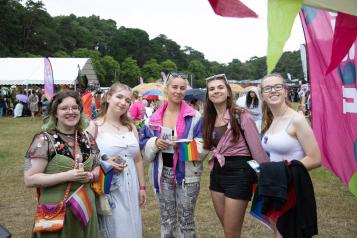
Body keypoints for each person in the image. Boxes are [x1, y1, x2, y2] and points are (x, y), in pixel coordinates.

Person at [24, 90, 100, 238]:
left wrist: (90, 175)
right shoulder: (43, 140)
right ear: (55, 113)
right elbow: (29, 179)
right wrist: (67, 176)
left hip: (85, 208)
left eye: (75, 108)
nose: (71, 112)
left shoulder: (87, 138)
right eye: (64, 108)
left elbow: (98, 167)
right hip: (55, 211)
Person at [140, 73, 207, 238]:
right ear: (167, 89)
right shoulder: (153, 119)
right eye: (174, 87)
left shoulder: (195, 116)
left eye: (182, 88)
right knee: (167, 219)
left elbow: (204, 145)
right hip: (163, 174)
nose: (178, 91)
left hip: (187, 176)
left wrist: (182, 145)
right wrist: (155, 143)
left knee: (186, 220)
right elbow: (144, 147)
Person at [202, 74, 269, 238]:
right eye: (211, 89)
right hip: (217, 174)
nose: (216, 91)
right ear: (208, 95)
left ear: (228, 92)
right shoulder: (209, 119)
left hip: (239, 174)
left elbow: (257, 150)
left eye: (220, 87)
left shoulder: (241, 115)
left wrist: (268, 176)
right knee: (227, 229)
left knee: (232, 232)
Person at [260, 73, 321, 238]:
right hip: (274, 187)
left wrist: (284, 170)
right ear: (263, 95)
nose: (273, 91)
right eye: (268, 88)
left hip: (292, 188)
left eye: (277, 87)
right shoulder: (272, 120)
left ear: (286, 92)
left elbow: (315, 158)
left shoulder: (297, 120)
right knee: (277, 232)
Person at [86, 83, 146, 238]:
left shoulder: (131, 127)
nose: (123, 102)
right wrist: (103, 163)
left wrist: (142, 187)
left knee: (133, 225)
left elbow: (138, 159)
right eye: (119, 97)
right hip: (110, 187)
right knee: (115, 228)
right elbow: (85, 160)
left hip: (131, 186)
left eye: (127, 100)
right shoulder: (94, 127)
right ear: (108, 97)